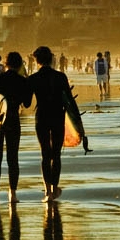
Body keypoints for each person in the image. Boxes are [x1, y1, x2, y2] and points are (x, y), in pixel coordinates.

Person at [28, 46, 80, 203]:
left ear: (36, 60)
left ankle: (48, 192)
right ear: (51, 59)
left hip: (41, 117)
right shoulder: (60, 77)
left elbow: (27, 102)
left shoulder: (33, 78)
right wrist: (78, 123)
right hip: (57, 117)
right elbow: (70, 101)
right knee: (56, 155)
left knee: (45, 154)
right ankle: (55, 188)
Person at [0, 52, 32, 204]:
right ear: (20, 65)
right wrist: (27, 86)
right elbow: (27, 104)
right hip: (13, 120)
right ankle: (13, 194)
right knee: (13, 158)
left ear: (6, 63)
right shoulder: (22, 81)